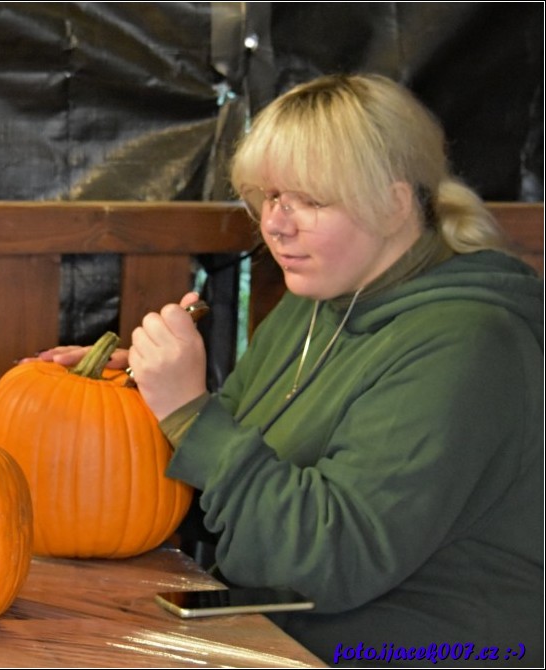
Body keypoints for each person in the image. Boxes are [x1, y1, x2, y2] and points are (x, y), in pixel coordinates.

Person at [40, 74, 543, 666]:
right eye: (270, 195)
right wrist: (131, 396)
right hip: (281, 628)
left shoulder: (470, 343)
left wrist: (189, 412)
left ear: (394, 203)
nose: (276, 224)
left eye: (310, 200)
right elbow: (231, 488)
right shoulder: (318, 302)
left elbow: (326, 563)